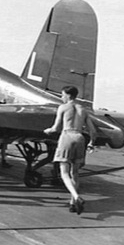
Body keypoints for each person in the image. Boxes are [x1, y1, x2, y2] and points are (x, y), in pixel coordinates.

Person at [44, 86, 96, 215]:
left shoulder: (63, 107)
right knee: (75, 173)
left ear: (68, 95)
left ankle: (76, 196)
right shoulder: (83, 110)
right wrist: (91, 143)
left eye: (62, 95)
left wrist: (47, 131)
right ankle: (72, 203)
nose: (62, 97)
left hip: (67, 136)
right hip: (80, 137)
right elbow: (93, 131)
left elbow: (56, 128)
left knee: (64, 172)